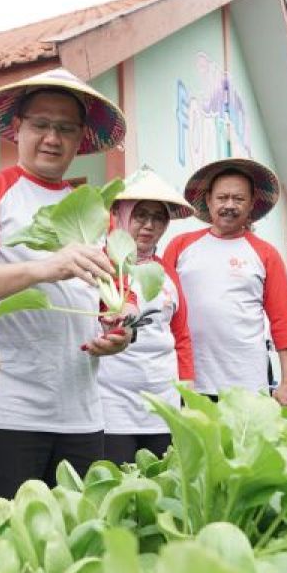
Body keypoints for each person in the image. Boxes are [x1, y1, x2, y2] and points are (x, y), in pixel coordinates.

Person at [0, 68, 132, 513]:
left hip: (81, 415)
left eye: (65, 128)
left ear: (81, 138)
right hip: (2, 412)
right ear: (18, 129)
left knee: (77, 544)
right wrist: (46, 268)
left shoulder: (94, 210)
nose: (52, 137)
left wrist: (121, 332)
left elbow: (117, 299)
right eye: (40, 124)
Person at [163, 158, 287, 405]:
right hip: (188, 381)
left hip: (248, 384)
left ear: (251, 204)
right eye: (222, 197)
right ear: (208, 201)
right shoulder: (180, 246)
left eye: (238, 199)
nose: (229, 205)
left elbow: (284, 320)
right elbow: (160, 308)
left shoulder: (266, 254)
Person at [98, 168, 195, 464]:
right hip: (111, 401)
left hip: (162, 400)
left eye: (159, 217)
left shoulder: (167, 272)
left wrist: (186, 387)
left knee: (160, 480)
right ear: (120, 214)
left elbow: (180, 334)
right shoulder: (100, 264)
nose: (149, 225)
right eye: (140, 215)